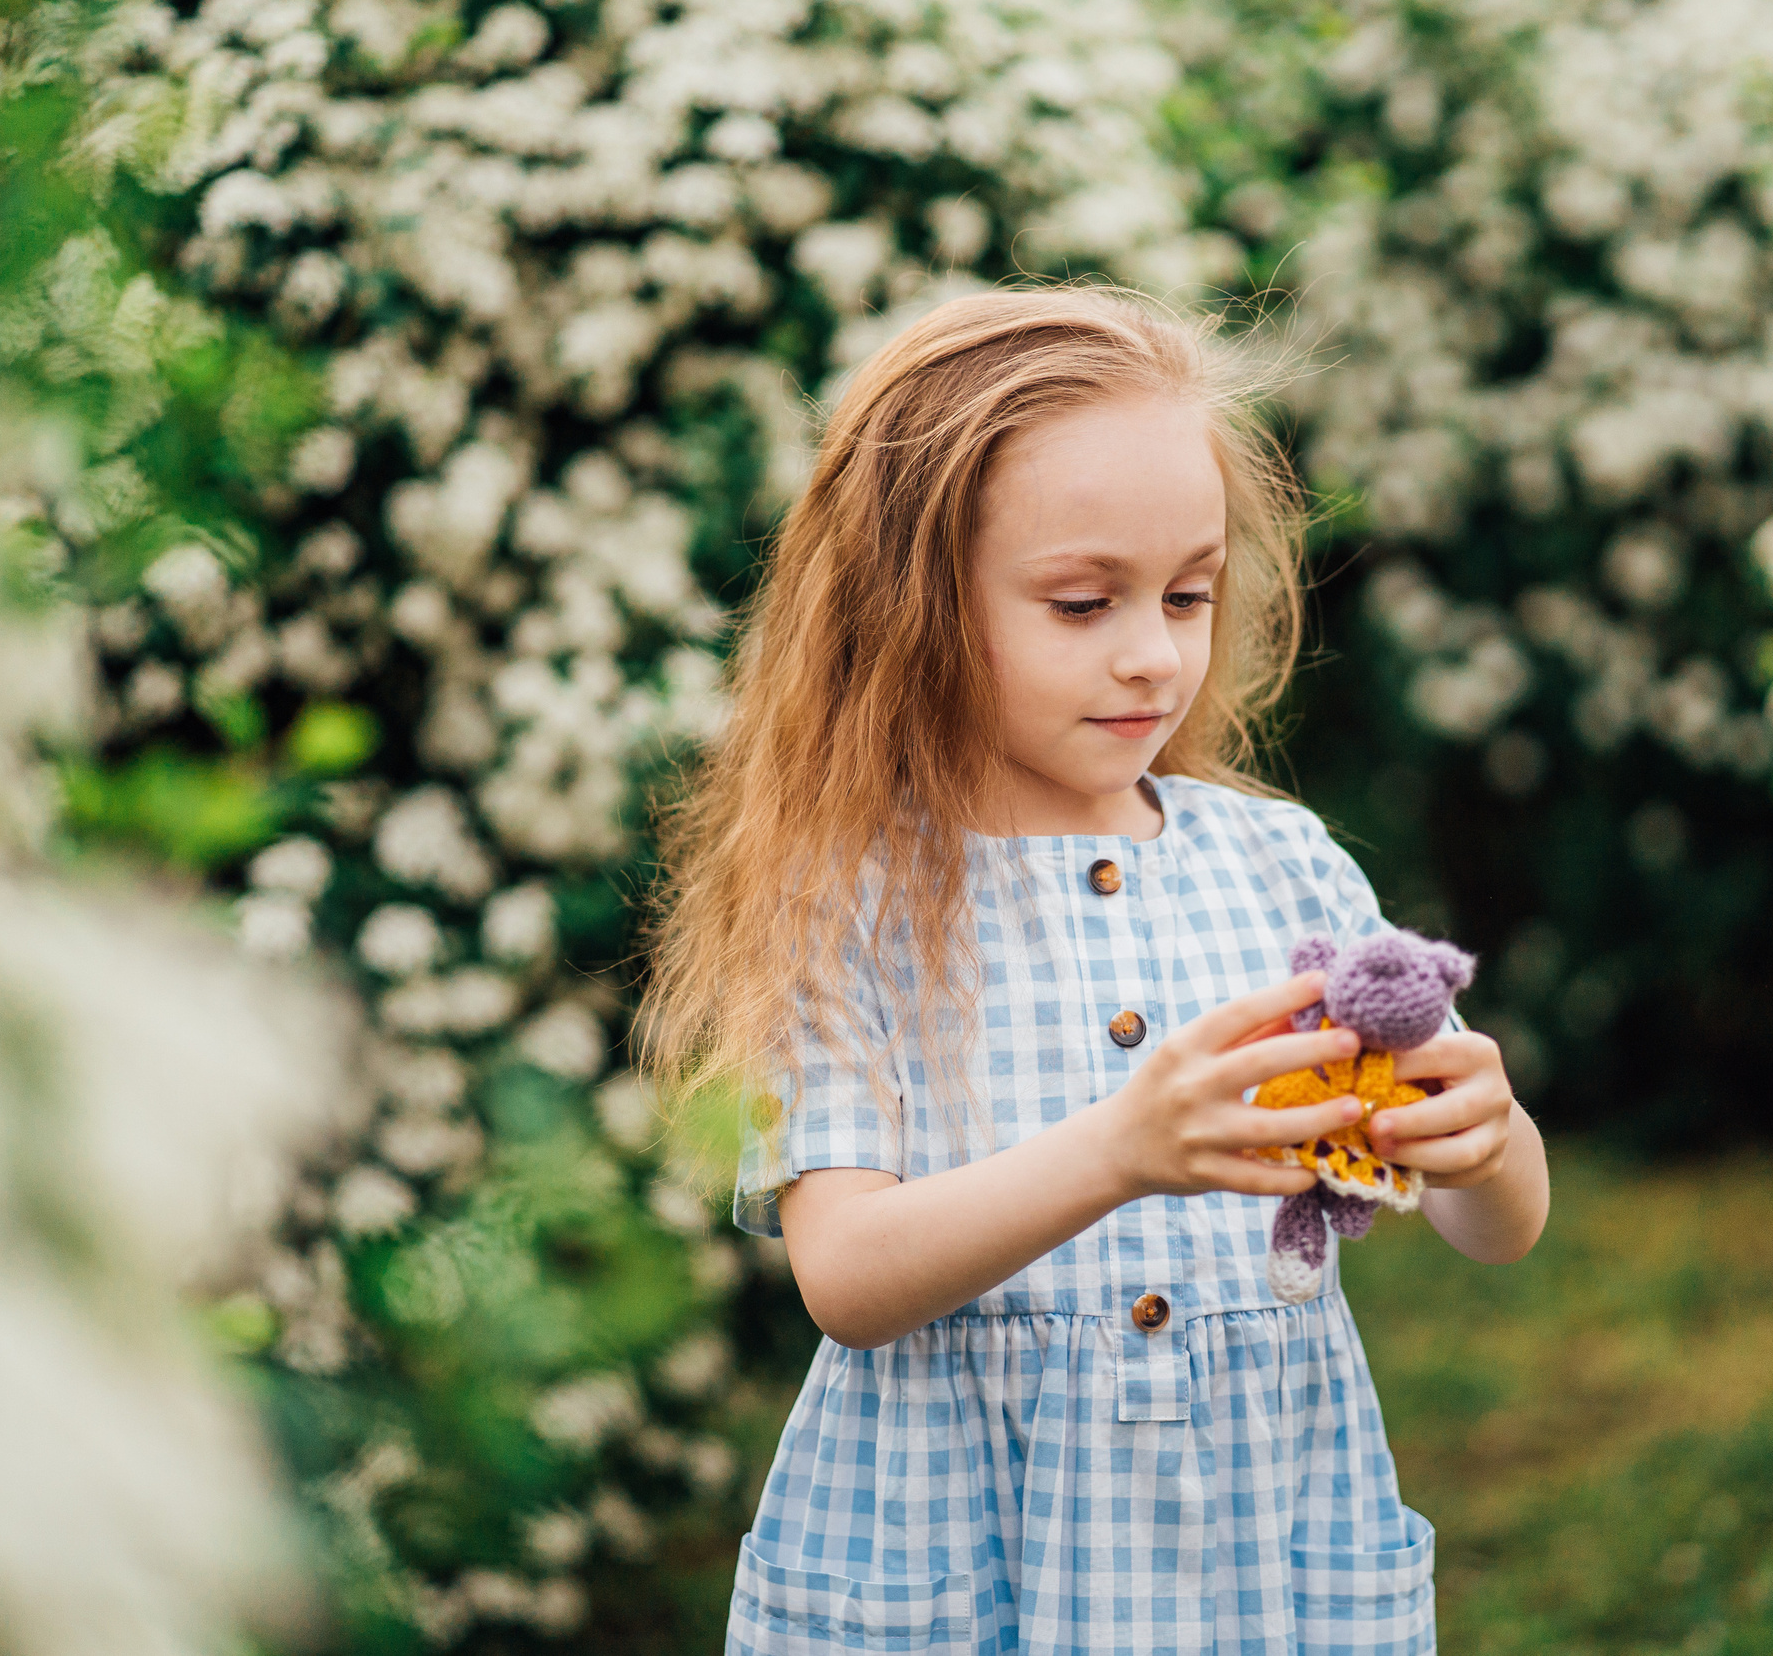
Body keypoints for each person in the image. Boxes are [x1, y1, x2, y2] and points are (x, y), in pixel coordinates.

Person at [645, 287, 1550, 1654]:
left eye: (1188, 593)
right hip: (957, 1566)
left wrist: (1484, 1143)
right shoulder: (852, 901)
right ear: (913, 610)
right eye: (1082, 602)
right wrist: (1123, 1148)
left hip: (1262, 1560)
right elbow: (849, 1275)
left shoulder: (1284, 867)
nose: (1152, 654)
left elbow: (1497, 1226)